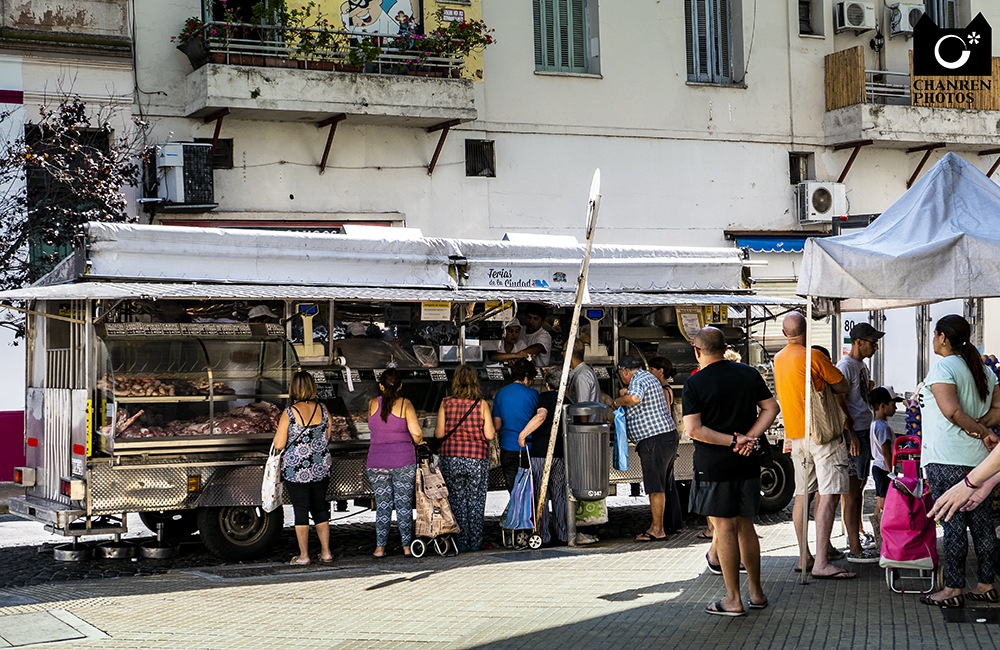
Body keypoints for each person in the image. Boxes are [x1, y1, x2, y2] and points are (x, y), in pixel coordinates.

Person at [684, 327, 779, 616]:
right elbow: (771, 408)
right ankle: (757, 593)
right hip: (747, 462)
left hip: (715, 465)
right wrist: (749, 437)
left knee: (724, 528)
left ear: (697, 351)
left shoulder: (695, 382)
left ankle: (733, 599)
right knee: (746, 525)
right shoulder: (748, 373)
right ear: (725, 348)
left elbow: (694, 430)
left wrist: (733, 440)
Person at [913, 315, 1000, 607]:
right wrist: (983, 426)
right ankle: (986, 584)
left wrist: (979, 428)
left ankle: (952, 590)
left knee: (952, 524)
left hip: (945, 458)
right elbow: (998, 407)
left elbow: (951, 412)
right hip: (981, 462)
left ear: (941, 337)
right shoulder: (984, 371)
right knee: (983, 525)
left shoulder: (943, 367)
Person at [772, 312, 855, 579]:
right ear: (806, 331)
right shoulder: (814, 357)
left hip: (795, 435)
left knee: (801, 494)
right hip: (822, 434)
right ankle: (821, 562)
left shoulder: (779, 359)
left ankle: (803, 556)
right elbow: (842, 385)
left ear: (785, 334)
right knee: (829, 493)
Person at [613, 355, 679, 542]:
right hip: (664, 437)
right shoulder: (647, 377)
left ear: (625, 371)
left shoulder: (638, 379)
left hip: (654, 440)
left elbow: (633, 398)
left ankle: (657, 529)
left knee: (655, 487)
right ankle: (660, 526)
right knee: (660, 485)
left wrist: (618, 401)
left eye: (621, 375)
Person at [834, 322, 883, 564]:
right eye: (872, 342)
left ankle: (857, 535)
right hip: (855, 433)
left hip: (864, 430)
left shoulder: (860, 365)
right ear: (858, 342)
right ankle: (854, 548)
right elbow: (839, 398)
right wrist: (850, 431)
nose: (875, 346)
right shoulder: (845, 366)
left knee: (859, 488)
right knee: (852, 492)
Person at [434, 364, 497, 552]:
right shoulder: (481, 404)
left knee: (456, 500)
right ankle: (475, 542)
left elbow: (438, 434)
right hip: (476, 458)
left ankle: (460, 542)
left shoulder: (446, 403)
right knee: (476, 500)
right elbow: (490, 435)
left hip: (451, 458)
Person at [273, 371, 333, 565]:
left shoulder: (290, 413)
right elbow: (328, 435)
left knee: (301, 509)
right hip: (320, 468)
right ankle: (326, 553)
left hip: (296, 470)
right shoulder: (323, 409)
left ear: (293, 389)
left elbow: (280, 443)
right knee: (319, 508)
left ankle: (304, 555)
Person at [366, 368, 424, 558]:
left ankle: (379, 548)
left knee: (383, 505)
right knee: (404, 504)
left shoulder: (372, 403)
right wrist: (418, 439)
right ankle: (406, 547)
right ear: (400, 386)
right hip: (403, 461)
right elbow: (416, 433)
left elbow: (375, 427)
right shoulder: (405, 404)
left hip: (376, 461)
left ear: (381, 386)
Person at [515, 368, 566, 546]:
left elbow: (541, 416)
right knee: (559, 494)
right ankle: (563, 533)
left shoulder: (544, 397)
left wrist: (523, 434)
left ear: (547, 384)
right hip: (561, 453)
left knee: (540, 494)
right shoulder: (567, 400)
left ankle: (543, 534)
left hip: (541, 453)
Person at [647, 356, 684, 535]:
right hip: (671, 437)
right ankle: (673, 522)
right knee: (669, 483)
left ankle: (670, 522)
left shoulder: (662, 390)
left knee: (664, 484)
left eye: (652, 369)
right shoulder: (665, 388)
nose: (649, 372)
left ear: (660, 371)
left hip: (664, 436)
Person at [492, 359, 542, 492]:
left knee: (513, 490)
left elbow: (497, 425)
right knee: (529, 489)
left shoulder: (500, 394)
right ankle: (529, 513)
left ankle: (516, 512)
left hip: (507, 447)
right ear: (526, 376)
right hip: (529, 447)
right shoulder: (533, 394)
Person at [867, 386, 902, 553]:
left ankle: (879, 535)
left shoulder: (875, 424)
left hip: (878, 467)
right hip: (883, 468)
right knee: (882, 503)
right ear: (882, 406)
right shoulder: (882, 427)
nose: (895, 408)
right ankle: (880, 535)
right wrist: (892, 473)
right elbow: (886, 452)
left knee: (881, 500)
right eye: (893, 404)